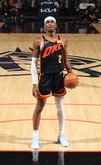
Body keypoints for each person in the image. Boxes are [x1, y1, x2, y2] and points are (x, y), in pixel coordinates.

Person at [31, 16, 73, 150]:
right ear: (44, 26)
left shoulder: (63, 41)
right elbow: (33, 64)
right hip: (44, 78)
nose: (50, 24)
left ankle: (61, 135)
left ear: (56, 25)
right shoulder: (39, 41)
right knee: (40, 107)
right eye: (47, 22)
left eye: (52, 22)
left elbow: (66, 60)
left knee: (60, 107)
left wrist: (71, 73)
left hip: (59, 77)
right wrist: (34, 83)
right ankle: (35, 137)